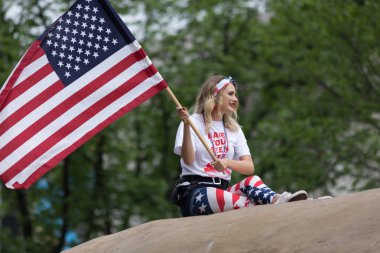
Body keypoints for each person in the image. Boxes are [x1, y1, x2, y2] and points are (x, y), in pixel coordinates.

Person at [172, 75, 308, 217]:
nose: (235, 99)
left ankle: (279, 200)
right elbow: (188, 160)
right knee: (246, 202)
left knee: (253, 180)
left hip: (224, 189)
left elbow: (249, 167)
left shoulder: (233, 128)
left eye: (235, 94)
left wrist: (227, 163)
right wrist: (187, 126)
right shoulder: (192, 122)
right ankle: (283, 205)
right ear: (215, 95)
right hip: (197, 193)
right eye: (230, 94)